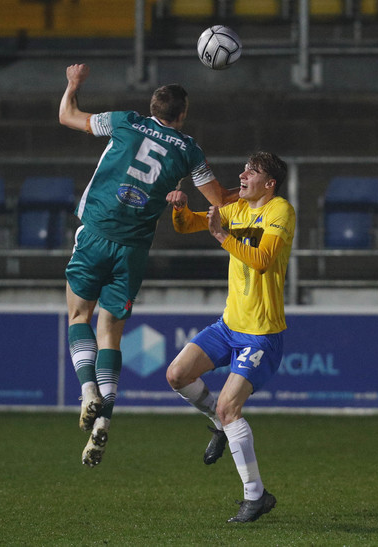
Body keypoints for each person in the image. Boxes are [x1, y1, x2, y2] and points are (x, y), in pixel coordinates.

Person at [59, 63, 238, 468]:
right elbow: (218, 200)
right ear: (182, 114)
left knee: (77, 315)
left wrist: (72, 86)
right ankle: (104, 417)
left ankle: (89, 392)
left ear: (152, 106)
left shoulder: (125, 121)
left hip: (96, 232)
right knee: (111, 335)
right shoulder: (188, 150)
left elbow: (67, 116)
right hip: (134, 249)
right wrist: (246, 189)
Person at [165, 151, 295, 523]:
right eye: (244, 169)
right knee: (177, 375)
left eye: (251, 172)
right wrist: (179, 208)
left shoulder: (279, 212)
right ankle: (221, 424)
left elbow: (264, 259)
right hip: (228, 325)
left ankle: (255, 496)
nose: (241, 175)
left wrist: (221, 236)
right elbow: (188, 225)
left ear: (268, 184)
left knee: (229, 406)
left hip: (260, 333)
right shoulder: (236, 207)